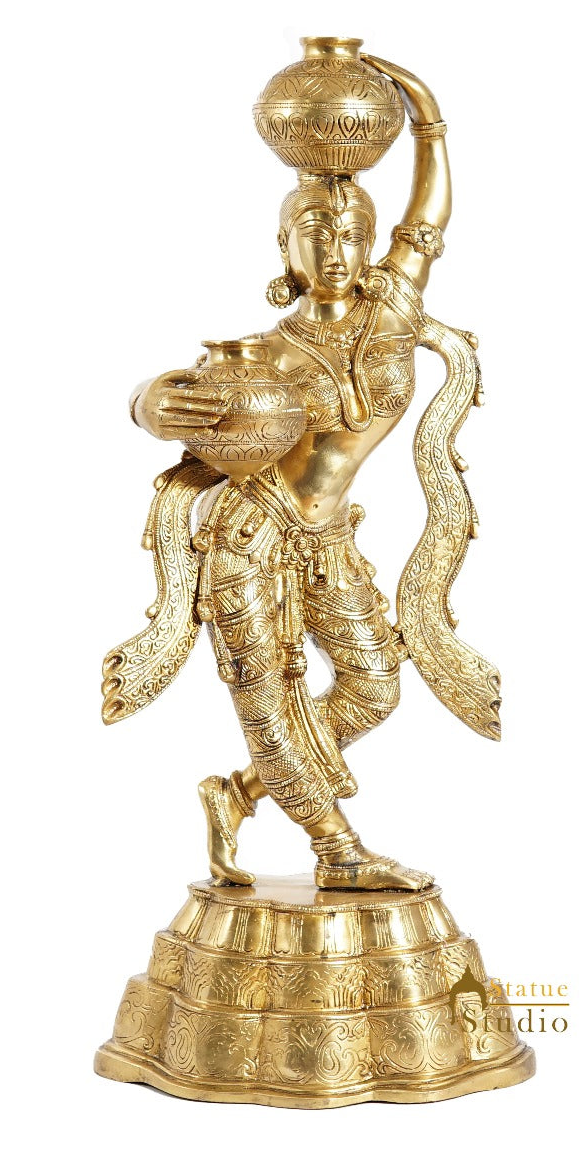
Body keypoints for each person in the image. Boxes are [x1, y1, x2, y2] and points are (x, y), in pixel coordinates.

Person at [105, 57, 497, 891]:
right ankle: (337, 850)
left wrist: (428, 121)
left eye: (352, 234)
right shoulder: (266, 353)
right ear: (283, 247)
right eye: (314, 232)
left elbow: (429, 220)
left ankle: (239, 793)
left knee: (375, 686)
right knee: (268, 697)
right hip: (249, 534)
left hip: (328, 538)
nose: (336, 248)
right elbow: (171, 401)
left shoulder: (393, 311)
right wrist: (147, 402)